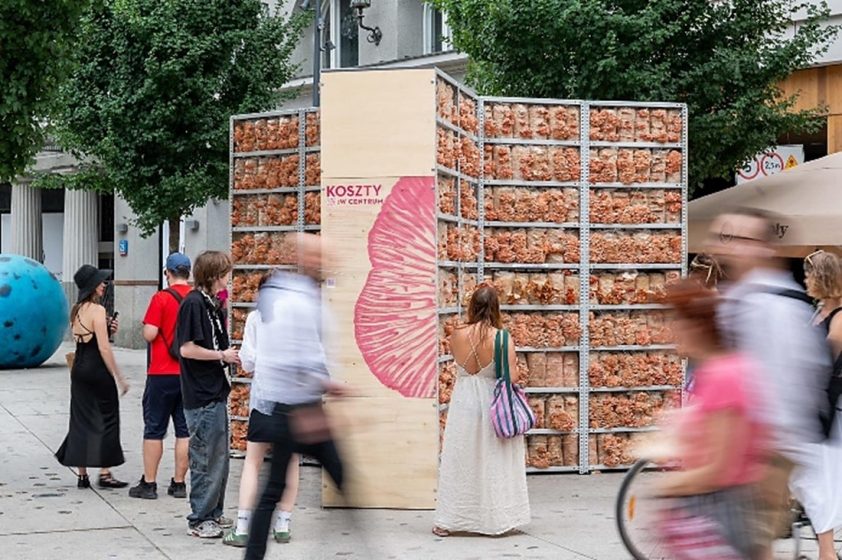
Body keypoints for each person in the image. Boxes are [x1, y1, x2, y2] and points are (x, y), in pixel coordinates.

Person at [706, 208, 831, 556]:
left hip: (766, 447)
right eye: (720, 237)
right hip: (742, 444)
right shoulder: (739, 297)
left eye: (734, 238)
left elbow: (788, 385)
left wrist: (766, 451)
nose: (724, 246)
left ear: (761, 247)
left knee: (752, 543)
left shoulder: (776, 306)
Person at [244, 234, 350, 560]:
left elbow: (264, 357)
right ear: (309, 260)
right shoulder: (298, 299)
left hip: (282, 404)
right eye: (322, 257)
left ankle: (254, 547)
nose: (328, 262)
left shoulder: (280, 295)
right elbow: (294, 356)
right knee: (340, 477)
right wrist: (325, 382)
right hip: (297, 407)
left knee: (273, 486)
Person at [655, 280, 768, 559]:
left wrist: (668, 486)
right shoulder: (715, 372)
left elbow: (720, 468)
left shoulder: (722, 375)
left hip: (717, 516)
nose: (671, 330)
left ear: (696, 326)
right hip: (717, 514)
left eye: (677, 321)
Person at [433, 284, 530, 537]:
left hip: (464, 399)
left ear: (472, 306)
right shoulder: (501, 337)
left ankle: (447, 520)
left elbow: (459, 363)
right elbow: (511, 377)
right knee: (495, 459)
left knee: (460, 459)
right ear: (496, 307)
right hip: (492, 401)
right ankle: (498, 518)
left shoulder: (456, 334)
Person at [223, 272, 300, 548]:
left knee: (253, 463)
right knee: (290, 461)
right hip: (293, 401)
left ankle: (243, 526)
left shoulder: (256, 318)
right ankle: (283, 524)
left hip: (265, 399)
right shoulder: (296, 320)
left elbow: (247, 362)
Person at [176, 250, 240, 539]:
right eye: (226, 273)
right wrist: (222, 356)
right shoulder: (193, 304)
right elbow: (186, 349)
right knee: (204, 457)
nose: (229, 278)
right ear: (214, 275)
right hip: (201, 395)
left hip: (214, 390)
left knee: (219, 457)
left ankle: (213, 512)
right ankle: (200, 517)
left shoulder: (211, 304)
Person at [788, 250, 842, 560]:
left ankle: (826, 554)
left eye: (809, 275)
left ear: (823, 278)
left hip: (827, 412)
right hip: (813, 405)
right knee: (810, 480)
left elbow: (825, 364)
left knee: (815, 480)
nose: (805, 279)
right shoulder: (819, 310)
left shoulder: (839, 318)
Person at [56, 264, 130, 489]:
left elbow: (84, 337)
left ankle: (82, 475)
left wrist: (109, 329)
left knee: (81, 418)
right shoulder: (98, 311)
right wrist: (119, 377)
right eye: (100, 282)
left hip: (79, 369)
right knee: (107, 417)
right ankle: (105, 472)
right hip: (97, 370)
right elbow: (104, 349)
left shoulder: (76, 309)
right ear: (91, 286)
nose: (104, 284)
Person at [129, 252, 192, 500]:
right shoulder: (197, 298)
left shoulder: (161, 298)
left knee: (154, 429)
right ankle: (179, 483)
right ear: (188, 273)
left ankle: (150, 483)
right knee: (184, 431)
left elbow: (150, 333)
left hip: (161, 373)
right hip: (188, 374)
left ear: (168, 272)